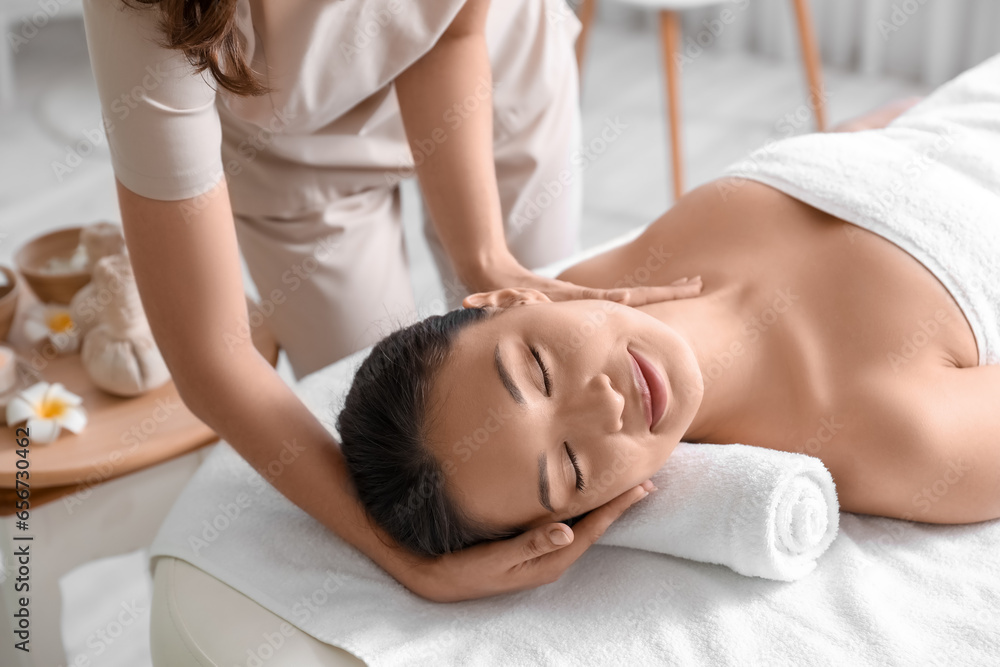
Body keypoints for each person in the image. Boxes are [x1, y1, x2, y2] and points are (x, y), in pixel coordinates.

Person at [79, 0, 703, 602]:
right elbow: (210, 358)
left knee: (554, 334)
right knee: (393, 449)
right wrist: (409, 562)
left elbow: (451, 34)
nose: (611, 400)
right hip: (292, 153)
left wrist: (486, 260)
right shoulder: (149, 13)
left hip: (492, 71)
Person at [336, 89, 1000, 561]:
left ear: (513, 300)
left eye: (536, 370)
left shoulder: (604, 280)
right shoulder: (898, 437)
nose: (605, 404)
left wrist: (884, 126)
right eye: (569, 466)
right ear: (586, 515)